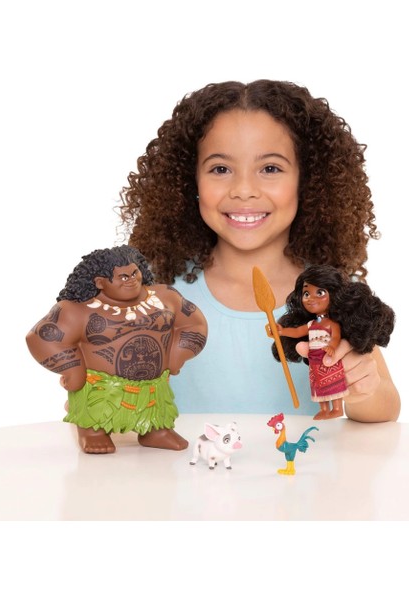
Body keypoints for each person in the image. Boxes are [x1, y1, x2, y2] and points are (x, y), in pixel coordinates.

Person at [119, 79, 400, 422]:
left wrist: (363, 387)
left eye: (270, 168)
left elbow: (386, 409)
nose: (244, 190)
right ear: (191, 181)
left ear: (307, 181)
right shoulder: (154, 292)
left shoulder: (329, 293)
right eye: (220, 169)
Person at [26, 245, 208, 453]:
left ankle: (156, 431)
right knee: (95, 413)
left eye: (135, 273)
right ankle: (92, 432)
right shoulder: (76, 309)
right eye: (123, 276)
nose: (131, 279)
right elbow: (41, 338)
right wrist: (72, 371)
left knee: (157, 411)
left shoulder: (165, 296)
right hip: (101, 389)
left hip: (154, 386)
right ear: (100, 282)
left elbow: (193, 323)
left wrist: (177, 356)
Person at [270, 265, 395, 420]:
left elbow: (335, 337)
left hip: (328, 357)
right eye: (306, 293)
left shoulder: (333, 323)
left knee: (335, 385)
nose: (311, 298)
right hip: (315, 361)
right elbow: (297, 332)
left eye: (320, 293)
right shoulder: (311, 324)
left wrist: (333, 347)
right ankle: (324, 409)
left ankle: (336, 408)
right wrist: (282, 331)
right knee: (318, 387)